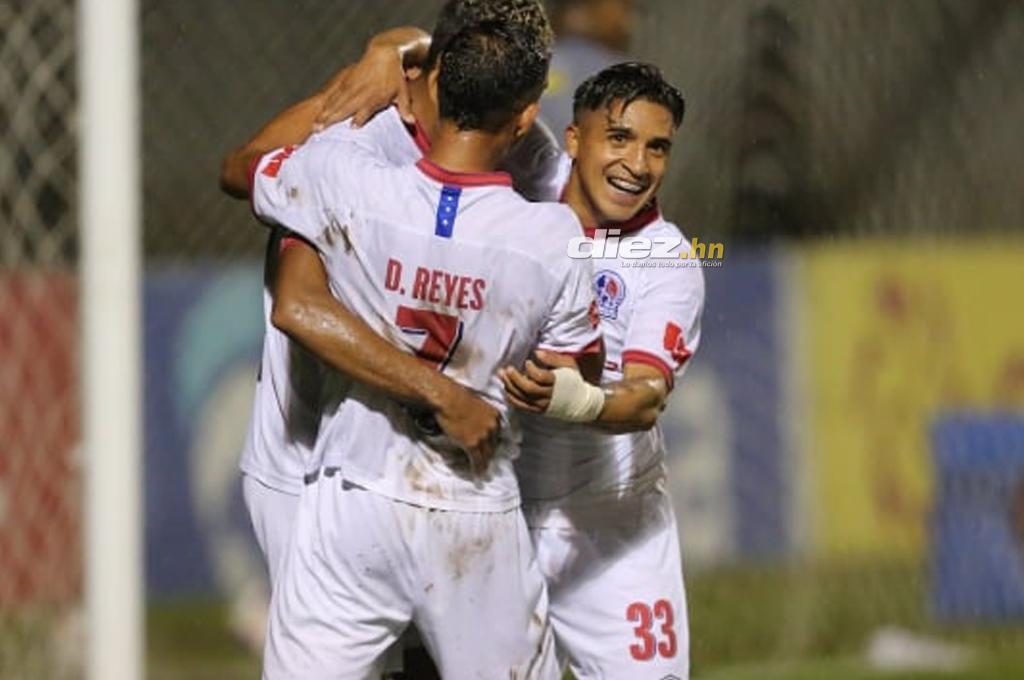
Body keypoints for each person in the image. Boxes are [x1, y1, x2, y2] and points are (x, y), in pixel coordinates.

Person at [245, 19, 601, 678]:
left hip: (348, 495)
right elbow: (580, 374)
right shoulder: (551, 238)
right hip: (468, 505)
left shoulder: (340, 173)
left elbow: (250, 171)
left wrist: (368, 64)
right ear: (525, 118)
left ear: (433, 81)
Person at [501, 62, 703, 679]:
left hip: (610, 522)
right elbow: (473, 81)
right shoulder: (528, 172)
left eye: (657, 147)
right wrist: (399, 50)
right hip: (492, 510)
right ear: (573, 139)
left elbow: (644, 398)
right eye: (619, 138)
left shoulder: (667, 259)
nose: (637, 165)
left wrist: (571, 398)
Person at [539, 0, 637, 138]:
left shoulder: (525, 62)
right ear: (581, 8)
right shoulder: (622, 74)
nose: (628, 24)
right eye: (624, 8)